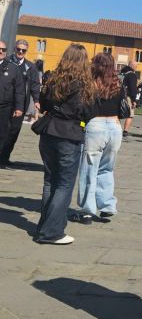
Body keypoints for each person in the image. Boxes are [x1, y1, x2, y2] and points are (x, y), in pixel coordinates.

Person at [34, 44, 95, 245]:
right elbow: (89, 112)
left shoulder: (54, 79)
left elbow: (43, 104)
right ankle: (52, 232)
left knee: (50, 181)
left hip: (48, 132)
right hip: (69, 134)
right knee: (64, 184)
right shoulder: (84, 84)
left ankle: (44, 227)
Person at [74, 52, 125, 224]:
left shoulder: (91, 83)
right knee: (107, 168)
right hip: (115, 127)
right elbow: (122, 106)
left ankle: (87, 210)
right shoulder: (118, 83)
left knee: (89, 169)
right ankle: (107, 205)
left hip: (96, 125)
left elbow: (84, 107)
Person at [0, 38, 41, 166]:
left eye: (23, 50)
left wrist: (36, 100)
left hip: (21, 104)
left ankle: (5, 156)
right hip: (6, 103)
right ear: (14, 49)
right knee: (3, 130)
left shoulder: (30, 67)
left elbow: (35, 85)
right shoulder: (6, 61)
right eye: (18, 49)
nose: (20, 52)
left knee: (14, 131)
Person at [0, 40, 25, 169]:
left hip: (5, 107)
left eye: (3, 50)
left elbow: (20, 90)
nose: (1, 52)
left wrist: (19, 107)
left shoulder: (13, 68)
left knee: (2, 134)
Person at [120, 60, 138, 139]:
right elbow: (133, 88)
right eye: (136, 66)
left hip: (118, 95)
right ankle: (125, 131)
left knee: (117, 114)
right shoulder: (132, 75)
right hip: (127, 96)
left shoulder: (121, 73)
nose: (136, 68)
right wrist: (134, 100)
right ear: (132, 66)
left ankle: (116, 129)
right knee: (130, 114)